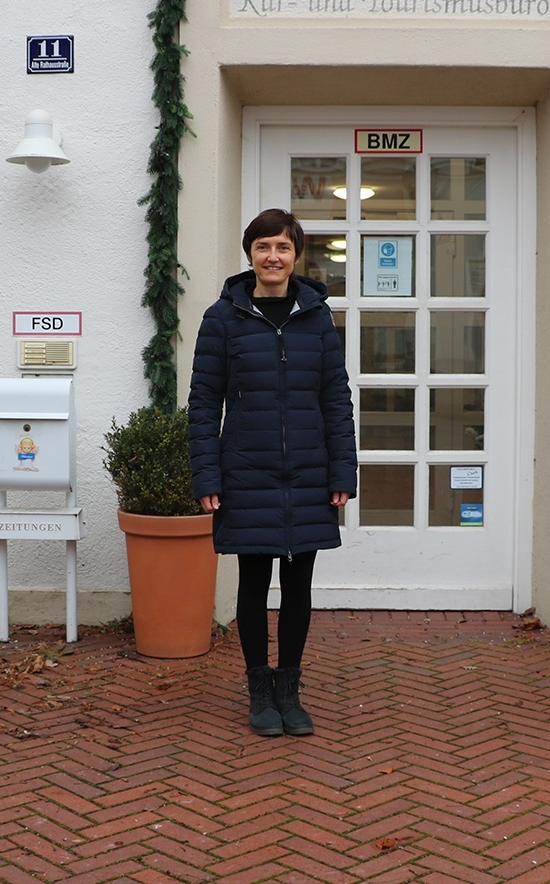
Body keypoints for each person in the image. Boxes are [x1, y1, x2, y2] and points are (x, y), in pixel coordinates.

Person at [188, 208, 358, 737]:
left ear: (296, 254)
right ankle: (259, 692)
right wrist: (207, 476)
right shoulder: (222, 318)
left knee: (299, 585)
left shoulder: (318, 317)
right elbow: (203, 403)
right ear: (250, 254)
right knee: (254, 582)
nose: (273, 257)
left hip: (307, 471)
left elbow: (336, 398)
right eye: (263, 246)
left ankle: (290, 692)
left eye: (283, 247)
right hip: (247, 471)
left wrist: (342, 471)